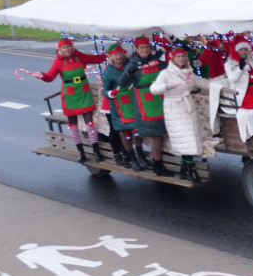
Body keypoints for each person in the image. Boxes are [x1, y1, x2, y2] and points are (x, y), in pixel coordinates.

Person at [25, 37, 107, 163]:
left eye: (69, 46)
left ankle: (96, 152)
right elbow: (50, 77)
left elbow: (98, 59)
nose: (67, 49)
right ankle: (82, 153)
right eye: (64, 47)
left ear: (72, 47)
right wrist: (42, 76)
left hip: (83, 92)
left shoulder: (81, 57)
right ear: (60, 50)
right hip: (70, 96)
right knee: (73, 125)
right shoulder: (58, 62)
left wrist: (111, 52)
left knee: (89, 123)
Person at [151, 47, 212, 182]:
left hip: (188, 107)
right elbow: (153, 89)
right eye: (178, 56)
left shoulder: (189, 73)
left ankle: (184, 168)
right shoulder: (166, 73)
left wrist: (222, 84)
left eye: (183, 56)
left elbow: (204, 83)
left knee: (188, 139)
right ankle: (190, 169)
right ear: (173, 58)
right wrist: (166, 87)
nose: (181, 59)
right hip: (174, 108)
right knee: (187, 138)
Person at [119, 36, 171, 177]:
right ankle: (157, 164)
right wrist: (128, 73)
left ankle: (160, 162)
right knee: (156, 134)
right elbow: (122, 82)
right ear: (135, 49)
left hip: (158, 99)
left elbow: (168, 68)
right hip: (145, 103)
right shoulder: (132, 64)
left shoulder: (153, 60)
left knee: (161, 133)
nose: (145, 50)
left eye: (147, 47)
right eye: (142, 47)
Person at [101, 42, 143, 171]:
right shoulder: (108, 72)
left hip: (133, 102)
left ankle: (140, 156)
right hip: (119, 105)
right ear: (111, 57)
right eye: (115, 55)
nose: (118, 57)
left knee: (136, 131)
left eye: (120, 54)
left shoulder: (130, 65)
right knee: (125, 132)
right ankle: (130, 157)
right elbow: (105, 90)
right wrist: (110, 93)